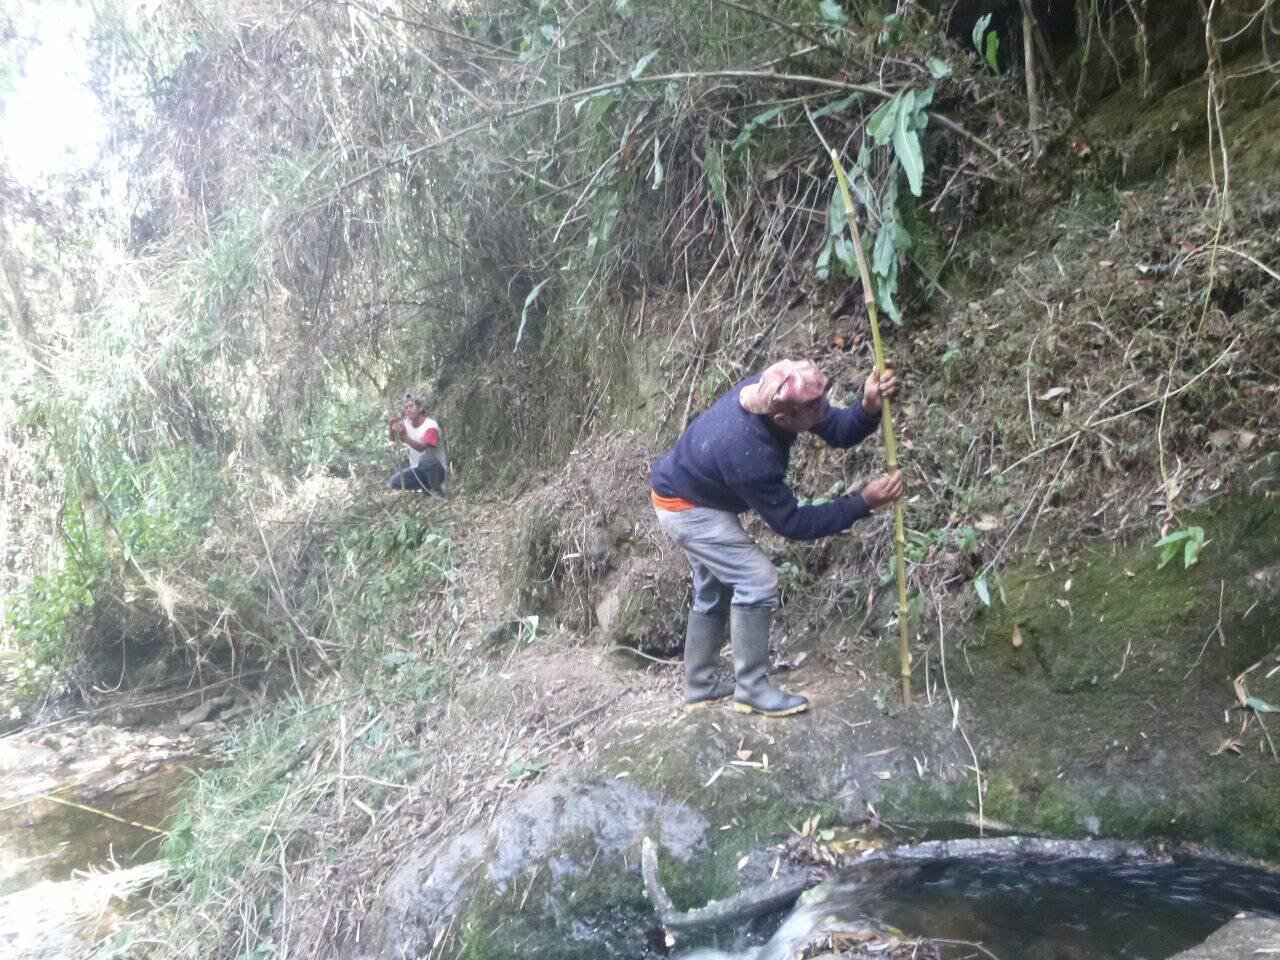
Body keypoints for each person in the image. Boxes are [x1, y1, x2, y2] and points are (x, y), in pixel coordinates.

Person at [650, 358, 903, 717]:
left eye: (821, 400)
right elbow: (793, 523)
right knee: (757, 579)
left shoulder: (772, 391)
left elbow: (835, 427)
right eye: (814, 406)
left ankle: (699, 686)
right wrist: (863, 503)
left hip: (689, 487)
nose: (823, 410)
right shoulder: (748, 451)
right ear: (784, 418)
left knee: (715, 586)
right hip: (685, 507)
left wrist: (867, 407)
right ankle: (751, 689)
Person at [388, 393, 447, 497]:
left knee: (425, 458)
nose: (409, 410)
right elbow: (393, 438)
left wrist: (404, 437)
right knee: (394, 481)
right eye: (406, 408)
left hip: (437, 470)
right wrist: (392, 424)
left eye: (411, 406)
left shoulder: (431, 426)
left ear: (420, 408)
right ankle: (426, 489)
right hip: (418, 471)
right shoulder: (405, 424)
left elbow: (421, 448)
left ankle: (437, 491)